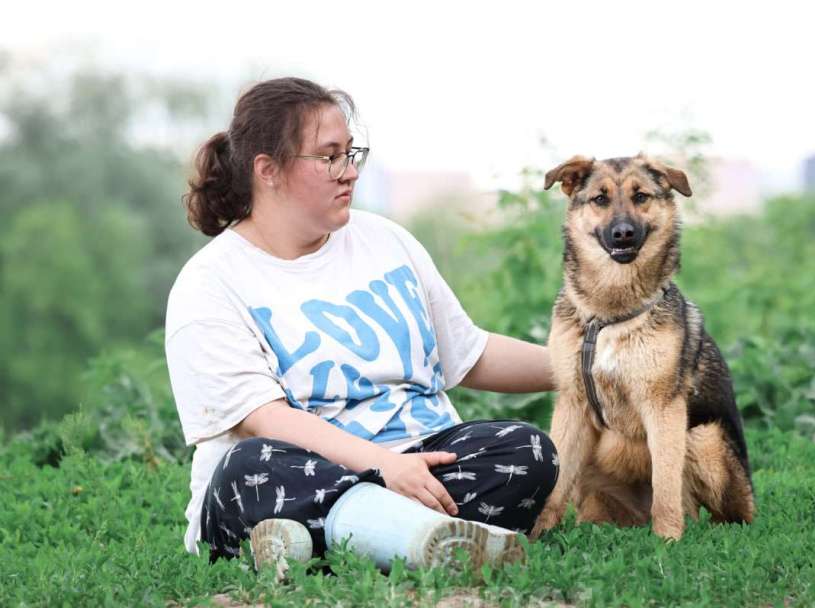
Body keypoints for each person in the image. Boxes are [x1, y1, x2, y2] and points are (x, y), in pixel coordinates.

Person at [165, 77, 558, 578]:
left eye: (351, 154)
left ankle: (339, 546)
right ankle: (418, 538)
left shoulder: (386, 241)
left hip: (415, 462)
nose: (349, 171)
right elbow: (264, 419)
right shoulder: (210, 282)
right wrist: (382, 467)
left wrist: (588, 369)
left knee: (526, 450)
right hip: (299, 474)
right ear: (268, 170)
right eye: (329, 157)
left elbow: (471, 353)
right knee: (250, 467)